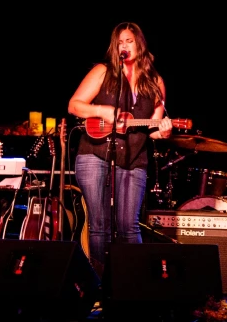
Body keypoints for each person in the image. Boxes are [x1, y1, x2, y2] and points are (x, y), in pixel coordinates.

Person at [68, 22, 173, 277]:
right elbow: (75, 105)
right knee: (99, 225)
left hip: (135, 158)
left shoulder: (155, 81)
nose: (124, 46)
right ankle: (101, 284)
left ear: (140, 43)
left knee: (129, 225)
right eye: (120, 42)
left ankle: (132, 283)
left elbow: (154, 128)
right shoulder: (103, 72)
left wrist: (165, 130)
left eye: (129, 41)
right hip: (94, 153)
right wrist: (102, 110)